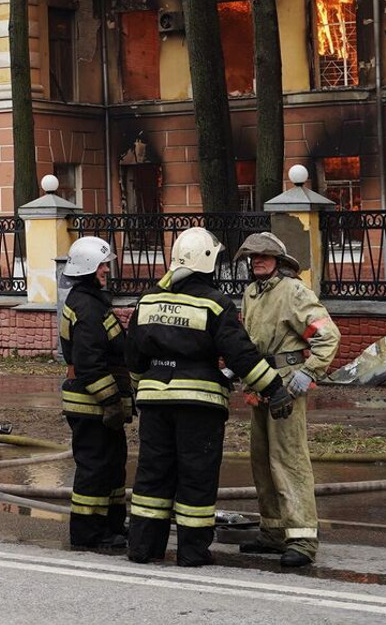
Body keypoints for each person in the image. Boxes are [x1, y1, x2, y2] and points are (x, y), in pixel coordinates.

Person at [126, 227, 291, 568]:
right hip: (198, 406)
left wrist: (144, 388)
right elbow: (240, 355)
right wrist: (274, 388)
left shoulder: (148, 300)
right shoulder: (215, 303)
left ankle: (143, 547)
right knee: (196, 477)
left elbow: (133, 358)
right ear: (207, 262)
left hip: (154, 403)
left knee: (152, 475)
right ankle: (191, 552)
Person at [235, 232, 340, 569]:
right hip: (260, 382)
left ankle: (302, 539)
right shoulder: (251, 293)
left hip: (288, 384)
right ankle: (274, 531)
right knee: (262, 460)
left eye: (264, 256)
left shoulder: (294, 291)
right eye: (253, 257)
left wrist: (309, 372)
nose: (257, 261)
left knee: (288, 459)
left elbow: (327, 335)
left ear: (278, 261)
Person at [58, 235, 130, 550]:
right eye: (102, 265)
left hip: (98, 406)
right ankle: (88, 534)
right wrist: (111, 401)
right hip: (91, 406)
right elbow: (89, 363)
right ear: (88, 267)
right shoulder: (87, 306)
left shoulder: (92, 301)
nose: (106, 270)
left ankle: (111, 526)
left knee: (111, 465)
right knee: (95, 468)